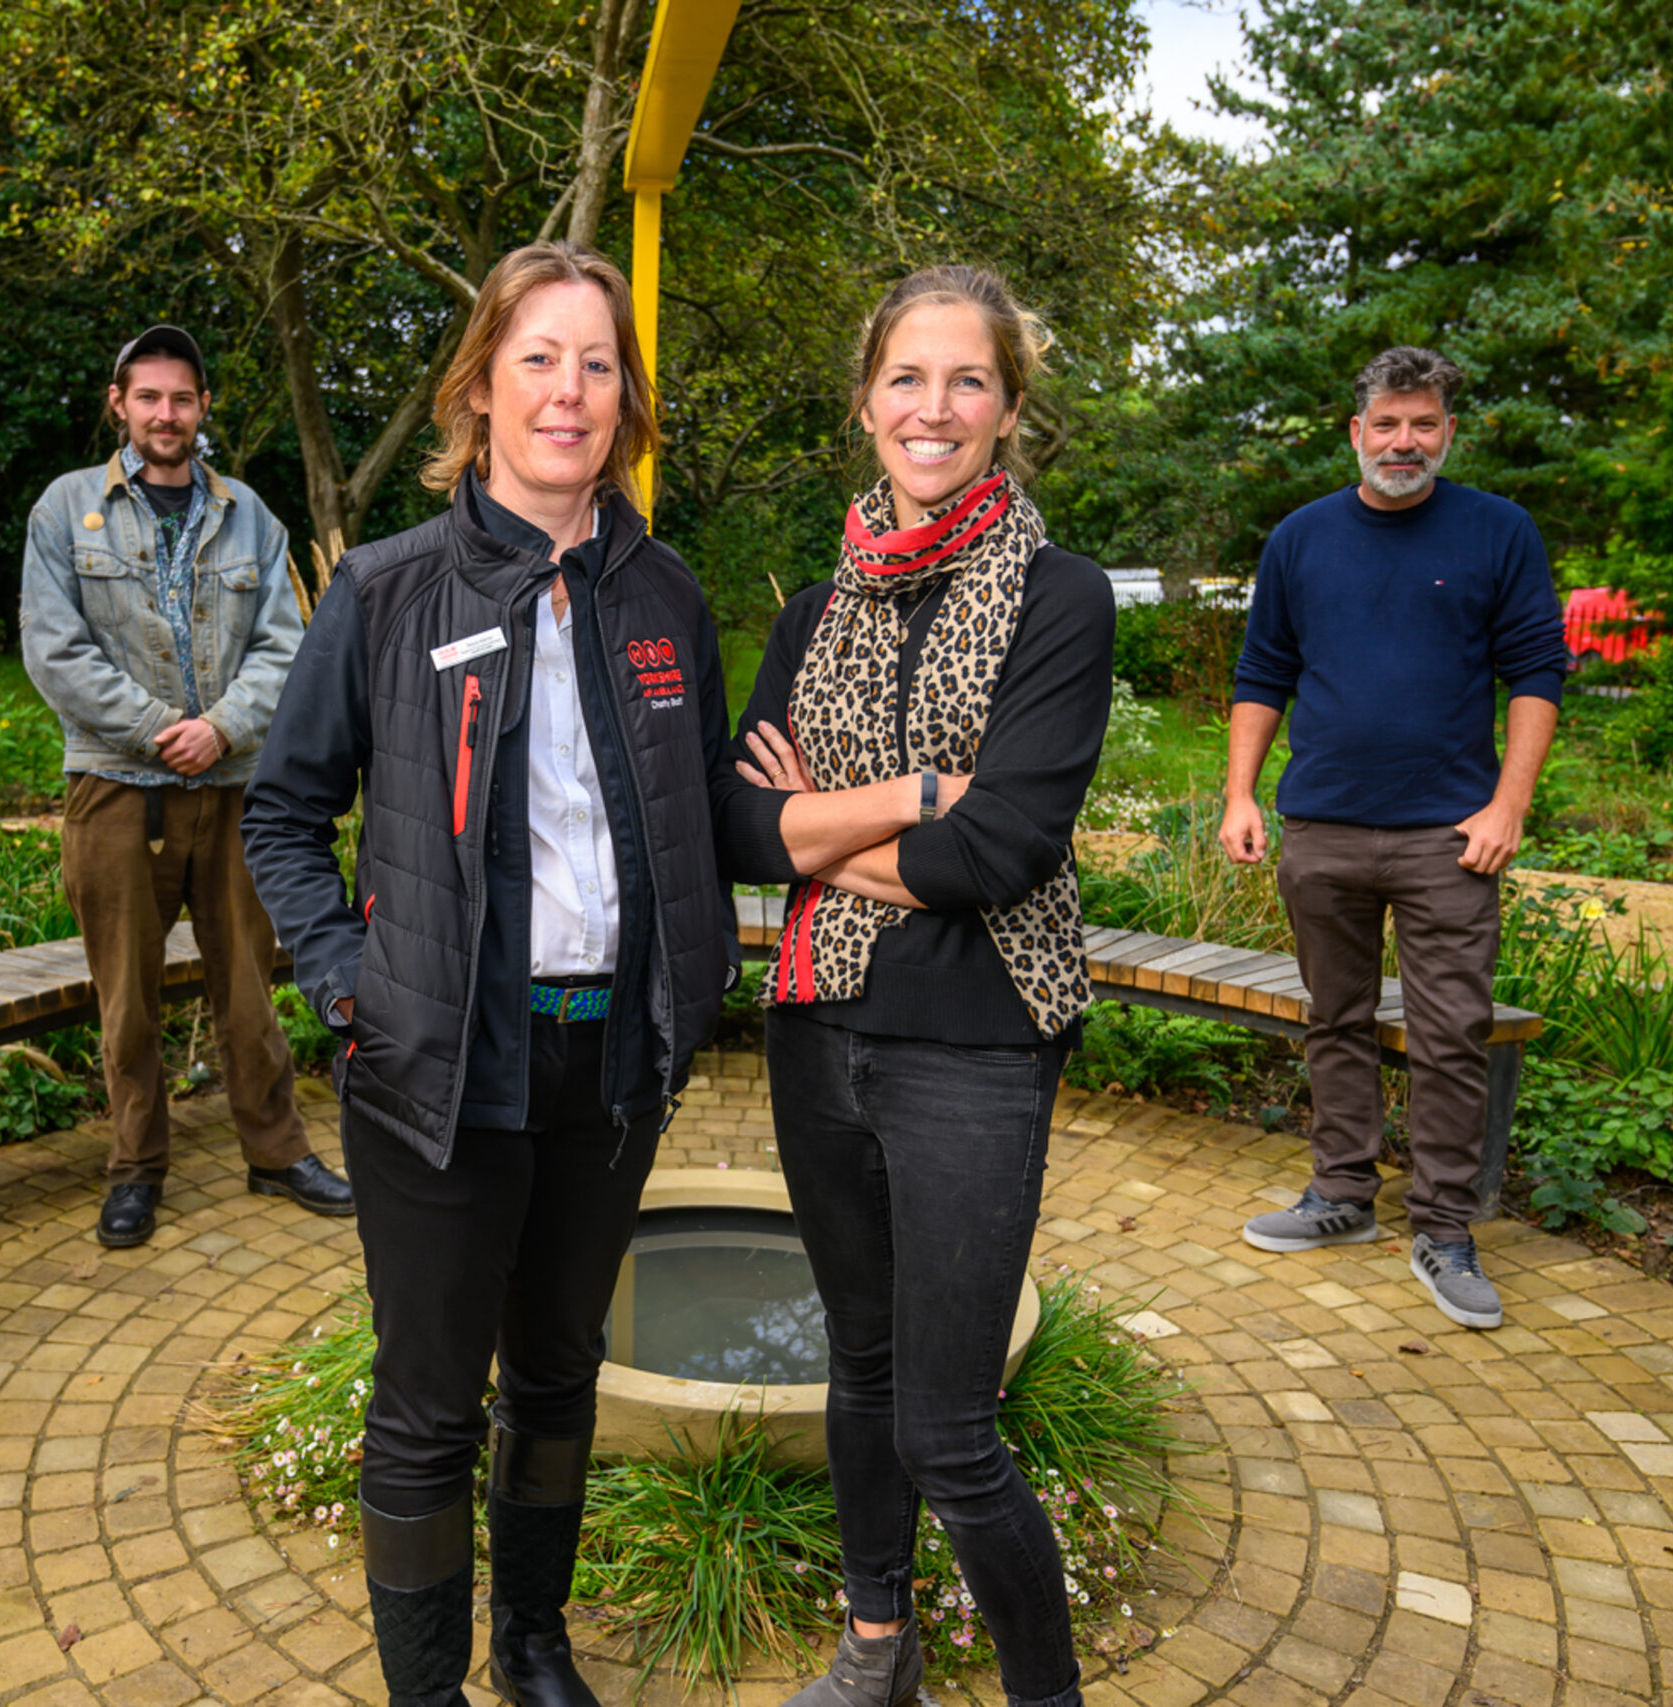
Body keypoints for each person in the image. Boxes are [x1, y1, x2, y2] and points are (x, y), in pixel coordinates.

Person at [243, 243, 735, 1707]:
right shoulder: (390, 592)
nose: (569, 390)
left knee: (561, 1374)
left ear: (626, 399)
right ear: (479, 388)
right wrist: (351, 982)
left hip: (607, 1068)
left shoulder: (666, 597)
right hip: (440, 1065)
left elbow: (705, 805)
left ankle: (531, 1644)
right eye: (539, 358)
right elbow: (283, 810)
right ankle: (427, 1690)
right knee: (425, 1404)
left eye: (597, 363)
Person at [714, 266, 1114, 1707]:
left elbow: (1002, 850)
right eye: (906, 378)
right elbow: (737, 829)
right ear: (865, 401)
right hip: (820, 1032)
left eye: (965, 380)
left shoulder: (1060, 601)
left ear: (1008, 408)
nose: (932, 406)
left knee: (949, 1428)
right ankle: (877, 1647)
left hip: (976, 1044)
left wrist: (832, 826)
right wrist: (907, 801)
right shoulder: (812, 609)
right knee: (861, 1371)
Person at [1220, 344, 1569, 1331]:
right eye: (1387, 424)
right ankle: (1339, 1196)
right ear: (1356, 432)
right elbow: (1262, 672)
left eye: (1423, 425)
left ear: (1446, 433)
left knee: (1450, 1033)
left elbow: (1537, 671)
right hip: (1321, 825)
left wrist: (1507, 807)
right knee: (1331, 1018)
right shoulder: (1299, 538)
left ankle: (1443, 1230)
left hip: (1447, 837)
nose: (1404, 442)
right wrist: (1241, 795)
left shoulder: (1497, 532)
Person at [21, 324, 351, 1246]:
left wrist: (224, 727)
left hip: (236, 784)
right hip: (116, 786)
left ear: (204, 408)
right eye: (148, 396)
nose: (166, 413)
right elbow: (53, 648)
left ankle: (277, 1149)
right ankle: (135, 1166)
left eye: (183, 397)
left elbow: (288, 644)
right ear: (118, 404)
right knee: (125, 995)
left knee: (248, 983)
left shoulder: (250, 515)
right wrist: (156, 731)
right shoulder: (65, 510)